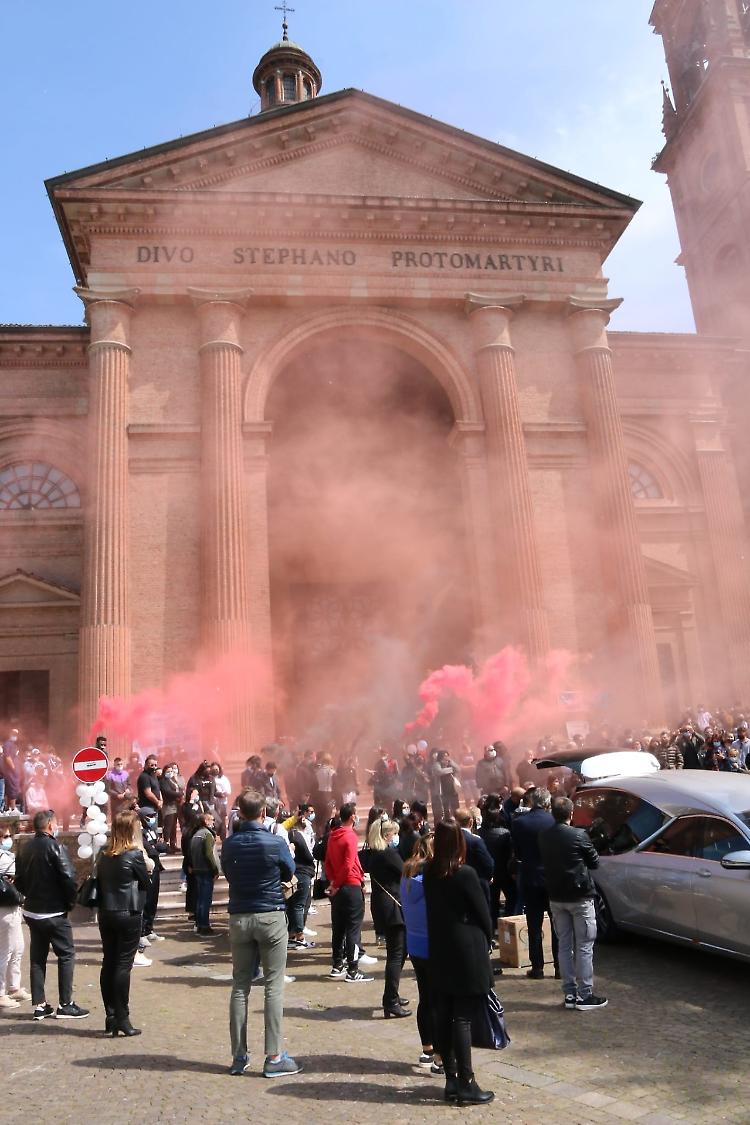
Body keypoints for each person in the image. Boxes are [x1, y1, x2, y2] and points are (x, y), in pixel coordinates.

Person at [221, 789, 302, 1078]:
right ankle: (274, 1056)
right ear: (264, 813)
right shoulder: (275, 841)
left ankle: (238, 1056)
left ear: (240, 813)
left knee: (240, 986)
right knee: (273, 985)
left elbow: (227, 873)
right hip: (270, 913)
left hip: (240, 915)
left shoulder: (229, 845)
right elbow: (289, 871)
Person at [423, 819, 495, 1106]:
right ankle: (466, 1081)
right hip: (464, 948)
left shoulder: (430, 872)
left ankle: (451, 1080)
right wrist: (488, 937)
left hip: (440, 947)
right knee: (462, 1016)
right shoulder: (464, 873)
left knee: (445, 1013)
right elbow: (483, 913)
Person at [14, 809, 89, 1020]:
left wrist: (30, 894)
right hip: (54, 911)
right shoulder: (56, 847)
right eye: (54, 823)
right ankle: (66, 1004)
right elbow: (69, 878)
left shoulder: (25, 848)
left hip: (32, 911)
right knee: (66, 955)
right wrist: (70, 902)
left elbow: (19, 880)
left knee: (37, 958)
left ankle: (40, 1005)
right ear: (49, 825)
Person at [538, 795, 606, 1011]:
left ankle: (569, 994)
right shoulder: (579, 835)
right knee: (584, 946)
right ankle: (585, 995)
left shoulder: (544, 835)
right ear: (571, 814)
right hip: (579, 896)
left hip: (556, 896)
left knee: (564, 945)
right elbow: (594, 862)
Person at [96, 810, 151, 1036]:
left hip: (106, 912)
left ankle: (111, 1015)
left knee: (109, 962)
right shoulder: (134, 854)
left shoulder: (103, 854)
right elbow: (146, 883)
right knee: (122, 965)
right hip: (128, 912)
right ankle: (122, 1017)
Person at [400, 833, 441, 1071]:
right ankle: (439, 1055)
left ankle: (427, 1049)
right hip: (432, 943)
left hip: (415, 942)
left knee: (426, 998)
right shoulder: (430, 880)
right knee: (438, 1001)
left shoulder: (407, 876)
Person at [510, 788, 559, 980]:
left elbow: (518, 852)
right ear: (547, 802)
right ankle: (560, 967)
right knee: (557, 924)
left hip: (530, 876)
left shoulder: (519, 822)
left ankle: (537, 967)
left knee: (534, 925)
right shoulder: (554, 820)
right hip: (552, 877)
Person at [325, 802, 372, 983]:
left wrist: (333, 882)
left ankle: (337, 964)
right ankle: (353, 969)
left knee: (338, 928)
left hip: (338, 888)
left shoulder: (332, 836)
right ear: (352, 816)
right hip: (350, 886)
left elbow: (328, 862)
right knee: (353, 929)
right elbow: (348, 863)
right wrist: (338, 883)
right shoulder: (350, 836)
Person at [367, 816, 410, 1019]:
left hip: (384, 904)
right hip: (392, 906)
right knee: (396, 953)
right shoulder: (388, 853)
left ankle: (392, 995)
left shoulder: (376, 853)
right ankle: (390, 1000)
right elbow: (406, 871)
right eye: (394, 833)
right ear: (386, 835)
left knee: (399, 951)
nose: (396, 837)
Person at [0, 827, 29, 1008]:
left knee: (18, 947)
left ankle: (13, 986)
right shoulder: (3, 858)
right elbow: (23, 872)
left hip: (14, 907)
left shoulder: (7, 856)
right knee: (5, 951)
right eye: (5, 836)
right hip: (5, 908)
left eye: (9, 836)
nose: (8, 839)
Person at [286, 805, 317, 947]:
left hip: (297, 872)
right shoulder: (296, 835)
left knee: (294, 904)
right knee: (299, 904)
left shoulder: (292, 835)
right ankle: (299, 936)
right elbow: (308, 855)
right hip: (302, 872)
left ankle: (292, 934)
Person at [455, 808, 494, 910]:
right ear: (471, 822)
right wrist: (488, 876)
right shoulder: (475, 840)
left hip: (456, 884)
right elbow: (488, 863)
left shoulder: (450, 840)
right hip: (478, 883)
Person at [189, 811, 220, 935]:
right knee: (205, 900)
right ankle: (204, 926)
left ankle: (199, 924)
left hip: (197, 869)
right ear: (206, 821)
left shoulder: (196, 835)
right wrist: (215, 869)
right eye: (212, 820)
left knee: (200, 899)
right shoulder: (207, 835)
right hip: (206, 870)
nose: (213, 822)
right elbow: (209, 854)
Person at [160, 762, 183, 853]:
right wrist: (179, 794)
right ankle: (166, 845)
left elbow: (180, 787)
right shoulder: (163, 781)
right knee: (168, 826)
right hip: (168, 805)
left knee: (173, 826)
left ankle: (173, 844)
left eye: (171, 771)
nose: (170, 773)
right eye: (168, 771)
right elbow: (167, 792)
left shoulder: (172, 780)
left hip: (175, 805)